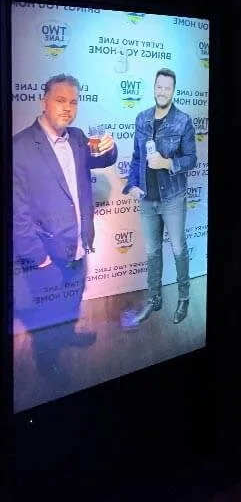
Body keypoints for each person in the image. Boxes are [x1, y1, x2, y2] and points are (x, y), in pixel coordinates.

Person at [13, 74, 117, 336]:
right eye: (60, 100)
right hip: (47, 257)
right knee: (46, 322)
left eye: (73, 102)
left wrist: (110, 148)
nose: (67, 108)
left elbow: (104, 159)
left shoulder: (78, 138)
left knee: (72, 304)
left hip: (79, 247)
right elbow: (16, 214)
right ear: (44, 102)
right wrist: (40, 259)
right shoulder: (20, 147)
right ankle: (49, 356)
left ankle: (69, 337)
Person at [124, 68, 197, 325]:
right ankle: (154, 299)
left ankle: (184, 298)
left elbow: (191, 159)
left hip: (173, 198)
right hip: (147, 198)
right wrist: (132, 184)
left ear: (173, 91)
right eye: (159, 86)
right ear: (154, 87)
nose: (162, 92)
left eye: (167, 88)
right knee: (152, 252)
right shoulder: (142, 118)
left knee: (178, 248)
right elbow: (136, 157)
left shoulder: (183, 121)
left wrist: (167, 163)